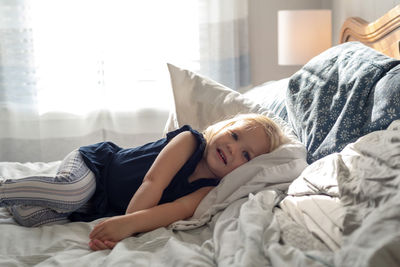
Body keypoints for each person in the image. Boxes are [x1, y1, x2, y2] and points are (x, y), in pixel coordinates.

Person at [0, 113, 288, 251]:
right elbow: (153, 183)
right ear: (224, 128)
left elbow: (168, 212)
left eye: (246, 155)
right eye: (234, 136)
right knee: (72, 191)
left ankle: (22, 195)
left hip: (96, 204)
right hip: (96, 168)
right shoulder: (190, 141)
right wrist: (126, 225)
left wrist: (123, 230)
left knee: (29, 217)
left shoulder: (207, 193)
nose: (232, 149)